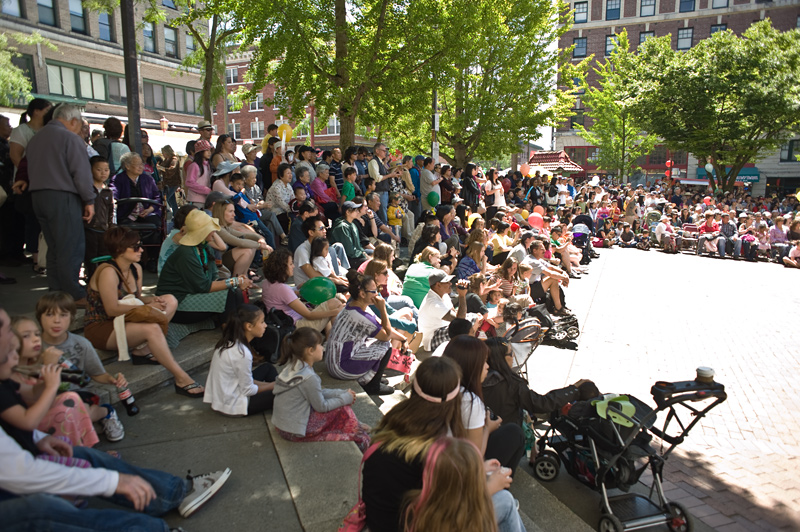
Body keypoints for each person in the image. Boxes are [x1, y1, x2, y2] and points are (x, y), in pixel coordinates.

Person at [363, 356, 523, 532]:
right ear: (454, 401)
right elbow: (443, 516)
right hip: (418, 525)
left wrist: (476, 470)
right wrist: (491, 486)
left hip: (379, 523)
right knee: (505, 501)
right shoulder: (437, 452)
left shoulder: (391, 426)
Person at [84, 227, 205, 398]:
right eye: (135, 246)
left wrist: (154, 301)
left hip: (125, 319)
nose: (141, 249)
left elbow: (136, 298)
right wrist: (144, 307)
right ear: (119, 249)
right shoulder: (108, 272)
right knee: (152, 329)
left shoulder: (136, 269)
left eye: (140, 245)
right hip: (102, 326)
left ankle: (143, 351)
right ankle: (181, 378)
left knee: (170, 300)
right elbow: (111, 309)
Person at [25, 104, 93, 305]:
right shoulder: (70, 138)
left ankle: (56, 290)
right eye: (79, 125)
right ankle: (73, 292)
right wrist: (89, 200)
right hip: (62, 195)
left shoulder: (36, 138)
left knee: (54, 246)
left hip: (38, 196)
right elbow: (81, 174)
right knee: (70, 245)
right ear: (73, 121)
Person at [34, 292, 126, 441]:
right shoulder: (34, 345)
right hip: (45, 394)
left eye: (63, 315)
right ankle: (88, 427)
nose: (57, 321)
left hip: (77, 393)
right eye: (50, 315)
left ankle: (106, 412)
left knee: (78, 413)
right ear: (40, 317)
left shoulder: (81, 344)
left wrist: (112, 379)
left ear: (71, 318)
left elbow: (96, 373)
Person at [8, 316, 100, 448]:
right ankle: (77, 453)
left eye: (37, 334)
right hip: (29, 426)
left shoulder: (32, 367)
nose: (35, 339)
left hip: (41, 418)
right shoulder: (11, 373)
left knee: (71, 396)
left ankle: (85, 449)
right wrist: (48, 369)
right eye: (26, 336)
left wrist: (53, 371)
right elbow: (33, 399)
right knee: (67, 404)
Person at [272, 327, 370, 450]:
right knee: (343, 409)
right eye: (319, 345)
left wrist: (341, 393)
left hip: (283, 425)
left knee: (340, 404)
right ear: (310, 351)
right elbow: (321, 406)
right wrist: (345, 398)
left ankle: (357, 428)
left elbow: (316, 393)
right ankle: (361, 439)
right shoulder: (309, 377)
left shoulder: (295, 365)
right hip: (294, 431)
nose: (323, 348)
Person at [442, 336, 526, 475]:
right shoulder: (469, 400)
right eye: (484, 362)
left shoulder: (444, 386)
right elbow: (474, 456)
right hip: (457, 472)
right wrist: (487, 428)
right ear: (471, 365)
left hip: (443, 457)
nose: (488, 366)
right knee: (514, 433)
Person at [402, 437, 523, 532]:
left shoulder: (417, 505)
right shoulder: (463, 523)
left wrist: (478, 468)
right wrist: (489, 488)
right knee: (506, 499)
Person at [156, 209, 253, 326]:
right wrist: (236, 281)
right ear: (202, 232)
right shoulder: (186, 253)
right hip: (177, 304)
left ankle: (239, 328)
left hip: (191, 294)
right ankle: (232, 334)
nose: (214, 231)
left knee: (235, 291)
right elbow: (204, 287)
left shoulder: (203, 246)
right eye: (210, 229)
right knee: (230, 295)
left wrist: (237, 283)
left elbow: (214, 278)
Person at [482, 337, 598, 428]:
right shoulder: (510, 384)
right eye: (511, 353)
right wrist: (573, 389)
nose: (513, 356)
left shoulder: (479, 378)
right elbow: (541, 404)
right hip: (505, 436)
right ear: (500, 358)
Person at [325, 270, 396, 396]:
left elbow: (380, 325)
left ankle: (373, 377)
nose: (377, 294)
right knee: (386, 346)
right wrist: (382, 308)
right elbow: (386, 335)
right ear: (362, 294)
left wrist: (402, 339)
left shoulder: (353, 305)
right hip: (341, 367)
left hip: (334, 361)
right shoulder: (358, 315)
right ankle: (372, 385)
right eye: (373, 291)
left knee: (374, 340)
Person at [204, 305, 278, 416]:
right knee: (282, 392)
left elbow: (242, 380)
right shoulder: (242, 353)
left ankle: (279, 389)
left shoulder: (229, 342)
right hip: (234, 405)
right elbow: (248, 390)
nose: (265, 325)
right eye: (262, 322)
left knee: (268, 368)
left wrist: (271, 385)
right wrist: (272, 386)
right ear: (249, 326)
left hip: (224, 397)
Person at [261, 248, 343, 333]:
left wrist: (297, 288)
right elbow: (309, 315)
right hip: (297, 327)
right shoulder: (282, 289)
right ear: (282, 267)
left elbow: (281, 295)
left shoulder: (266, 282)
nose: (293, 266)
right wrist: (335, 312)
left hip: (284, 322)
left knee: (327, 309)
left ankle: (328, 338)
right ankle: (336, 339)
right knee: (335, 303)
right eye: (291, 264)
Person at [212, 200, 269, 277]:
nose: (234, 215)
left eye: (234, 211)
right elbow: (239, 242)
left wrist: (260, 238)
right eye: (230, 211)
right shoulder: (218, 228)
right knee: (247, 249)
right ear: (221, 213)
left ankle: (244, 276)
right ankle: (237, 281)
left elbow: (243, 235)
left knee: (251, 247)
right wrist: (261, 245)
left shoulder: (224, 226)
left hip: (223, 259)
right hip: (217, 264)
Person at [111, 152, 162, 238]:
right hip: (126, 214)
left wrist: (150, 209)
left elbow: (157, 197)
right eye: (137, 164)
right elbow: (113, 193)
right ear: (127, 166)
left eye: (142, 164)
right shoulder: (118, 179)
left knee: (156, 226)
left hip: (147, 213)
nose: (141, 167)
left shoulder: (148, 179)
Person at [293, 216, 351, 287]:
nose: (325, 231)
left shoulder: (321, 246)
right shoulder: (302, 250)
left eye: (324, 228)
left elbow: (329, 270)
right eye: (321, 229)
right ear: (311, 232)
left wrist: (336, 278)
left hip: (323, 284)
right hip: (309, 290)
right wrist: (334, 280)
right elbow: (313, 276)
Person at [418, 273, 470, 352]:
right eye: (447, 282)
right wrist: (462, 296)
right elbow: (460, 321)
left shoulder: (444, 295)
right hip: (432, 339)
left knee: (473, 317)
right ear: (438, 285)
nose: (450, 283)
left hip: (442, 329)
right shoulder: (433, 303)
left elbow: (455, 312)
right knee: (467, 325)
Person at [83, 157, 114, 279]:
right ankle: (91, 282)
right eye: (99, 169)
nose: (103, 173)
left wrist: (111, 226)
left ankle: (103, 282)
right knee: (90, 258)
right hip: (89, 229)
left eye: (106, 170)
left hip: (104, 230)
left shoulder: (108, 191)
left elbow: (111, 211)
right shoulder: (86, 190)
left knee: (105, 258)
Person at [331, 200, 370, 268]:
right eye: (355, 210)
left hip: (356, 254)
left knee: (374, 254)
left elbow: (358, 245)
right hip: (347, 258)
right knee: (369, 264)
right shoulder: (342, 227)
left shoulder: (352, 224)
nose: (358, 212)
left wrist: (363, 253)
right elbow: (350, 251)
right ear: (348, 212)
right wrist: (364, 256)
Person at [185, 139, 214, 208]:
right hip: (196, 201)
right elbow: (189, 182)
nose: (209, 152)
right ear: (200, 152)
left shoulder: (208, 166)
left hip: (206, 200)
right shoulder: (194, 165)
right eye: (206, 150)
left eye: (210, 150)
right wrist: (206, 190)